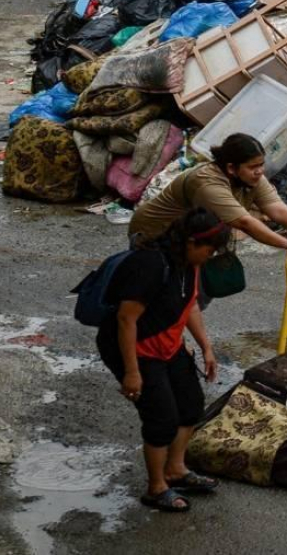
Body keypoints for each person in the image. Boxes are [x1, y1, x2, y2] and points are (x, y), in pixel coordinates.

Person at [97, 209, 231, 512]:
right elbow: (126, 320)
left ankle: (176, 469)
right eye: (210, 250)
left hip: (170, 346)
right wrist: (132, 372)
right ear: (192, 241)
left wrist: (206, 348)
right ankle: (156, 488)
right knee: (161, 420)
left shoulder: (190, 263)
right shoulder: (150, 265)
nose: (211, 256)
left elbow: (190, 305)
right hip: (136, 349)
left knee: (191, 406)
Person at [129, 133, 287, 252]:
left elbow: (278, 210)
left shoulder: (251, 177)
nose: (260, 171)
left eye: (261, 164)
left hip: (190, 237)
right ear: (231, 168)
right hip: (153, 235)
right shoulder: (207, 183)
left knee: (192, 296)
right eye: (253, 166)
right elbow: (244, 222)